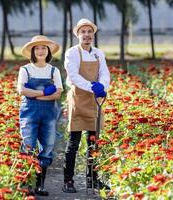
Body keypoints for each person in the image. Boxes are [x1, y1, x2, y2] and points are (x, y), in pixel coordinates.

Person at [62, 18, 110, 193]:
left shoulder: (98, 53)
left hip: (95, 100)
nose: (87, 35)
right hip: (78, 99)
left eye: (90, 32)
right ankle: (68, 180)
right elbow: (73, 76)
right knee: (73, 142)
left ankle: (93, 179)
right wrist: (92, 86)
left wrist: (102, 86)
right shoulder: (72, 53)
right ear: (78, 34)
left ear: (93, 35)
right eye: (83, 32)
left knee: (93, 142)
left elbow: (105, 73)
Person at [17, 35, 63, 196]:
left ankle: (39, 186)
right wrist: (44, 92)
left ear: (48, 51)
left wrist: (34, 94)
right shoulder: (25, 69)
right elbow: (22, 90)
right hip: (29, 112)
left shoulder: (53, 70)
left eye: (44, 48)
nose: (41, 50)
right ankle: (25, 184)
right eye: (37, 48)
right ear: (32, 51)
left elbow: (57, 94)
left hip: (49, 113)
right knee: (28, 144)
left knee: (48, 147)